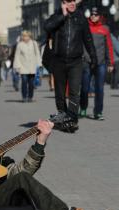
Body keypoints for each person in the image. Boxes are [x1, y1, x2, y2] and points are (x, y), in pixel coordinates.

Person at [44, 0, 97, 131]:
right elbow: (47, 27)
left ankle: (72, 119)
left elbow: (88, 39)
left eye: (73, 1)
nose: (72, 4)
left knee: (74, 92)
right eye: (68, 2)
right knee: (60, 93)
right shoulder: (56, 15)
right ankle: (63, 116)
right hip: (59, 60)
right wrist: (62, 15)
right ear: (63, 3)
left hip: (76, 61)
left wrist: (93, 56)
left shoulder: (80, 17)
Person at [79, 7, 114, 120]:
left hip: (101, 63)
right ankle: (83, 108)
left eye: (96, 15)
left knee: (99, 89)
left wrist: (110, 63)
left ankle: (98, 112)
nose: (93, 16)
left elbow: (109, 46)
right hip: (87, 62)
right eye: (92, 14)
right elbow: (80, 44)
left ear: (100, 16)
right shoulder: (85, 28)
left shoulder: (105, 29)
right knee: (84, 88)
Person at [13, 30, 42, 102]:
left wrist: (39, 64)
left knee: (31, 83)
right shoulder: (20, 44)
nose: (25, 38)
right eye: (24, 36)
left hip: (32, 66)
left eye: (27, 36)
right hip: (23, 66)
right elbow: (17, 56)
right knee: (24, 82)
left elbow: (37, 54)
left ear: (29, 36)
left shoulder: (34, 43)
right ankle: (24, 97)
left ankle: (30, 96)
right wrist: (17, 66)